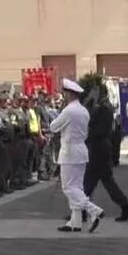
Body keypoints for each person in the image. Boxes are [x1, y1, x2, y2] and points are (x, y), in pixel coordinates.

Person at [48, 79, 103, 233]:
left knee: (68, 187)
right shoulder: (83, 110)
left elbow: (53, 127)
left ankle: (94, 210)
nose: (64, 95)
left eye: (65, 93)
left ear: (69, 94)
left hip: (70, 152)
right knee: (77, 187)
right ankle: (76, 222)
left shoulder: (68, 110)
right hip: (81, 150)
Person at [81, 76, 128, 222]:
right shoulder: (98, 107)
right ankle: (81, 211)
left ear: (100, 93)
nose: (91, 94)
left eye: (94, 92)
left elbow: (101, 130)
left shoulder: (105, 109)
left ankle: (125, 208)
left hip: (100, 151)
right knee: (91, 184)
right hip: (97, 151)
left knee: (97, 184)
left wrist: (87, 136)